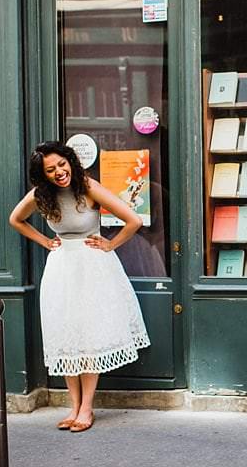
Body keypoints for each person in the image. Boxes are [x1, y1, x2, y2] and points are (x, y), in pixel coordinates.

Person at [9, 141, 150, 433]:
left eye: (62, 164)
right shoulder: (41, 196)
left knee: (88, 335)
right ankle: (73, 407)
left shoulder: (87, 185)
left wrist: (110, 244)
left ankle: (87, 408)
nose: (60, 172)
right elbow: (16, 219)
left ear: (70, 161)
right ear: (42, 174)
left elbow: (133, 220)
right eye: (51, 169)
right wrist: (46, 242)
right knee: (65, 335)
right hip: (61, 268)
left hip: (93, 267)